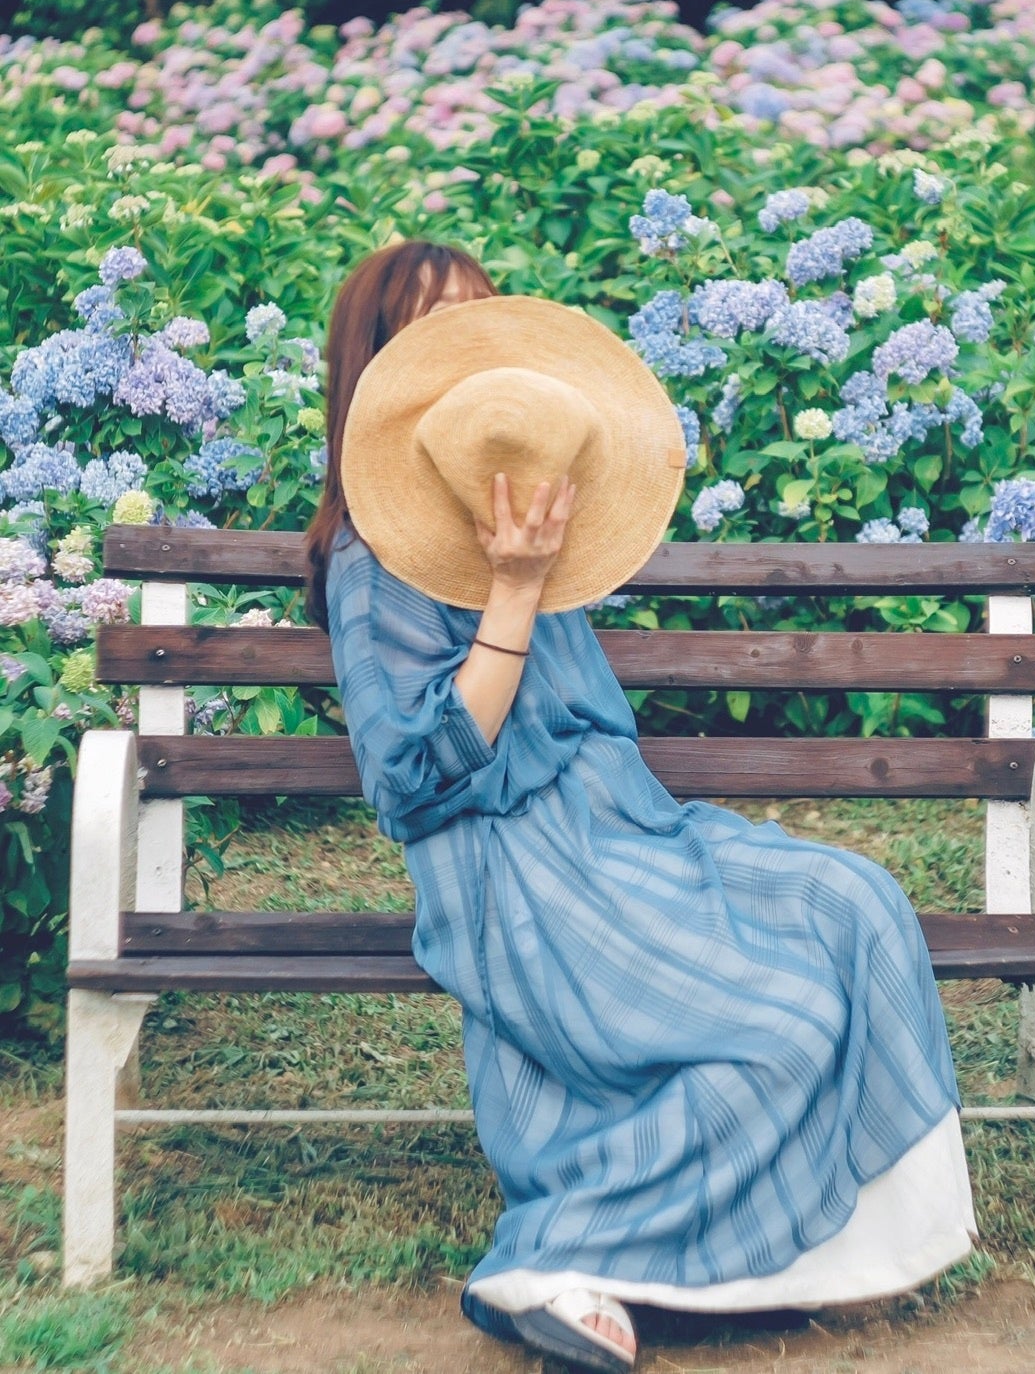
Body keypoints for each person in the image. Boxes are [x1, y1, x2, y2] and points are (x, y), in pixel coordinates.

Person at [307, 240, 977, 1374]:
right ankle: (563, 1257)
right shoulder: (379, 560)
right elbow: (412, 778)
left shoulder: (524, 528)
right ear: (383, 370)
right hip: (515, 869)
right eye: (431, 333)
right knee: (772, 1027)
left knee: (854, 902)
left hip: (629, 834)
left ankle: (821, 1250)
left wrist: (528, 566)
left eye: (482, 328)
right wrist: (512, 592)